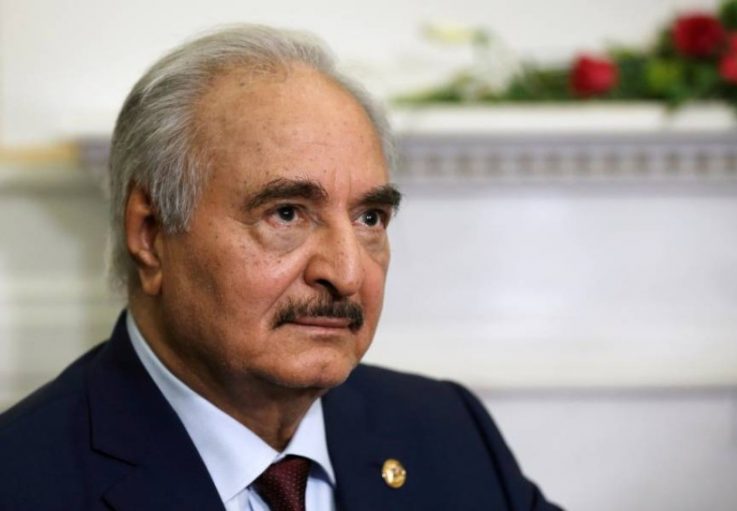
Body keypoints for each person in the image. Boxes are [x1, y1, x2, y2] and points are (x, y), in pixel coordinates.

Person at [0, 25, 563, 511]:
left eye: (369, 217)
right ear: (150, 234)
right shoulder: (22, 480)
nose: (346, 273)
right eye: (287, 213)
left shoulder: (448, 431)